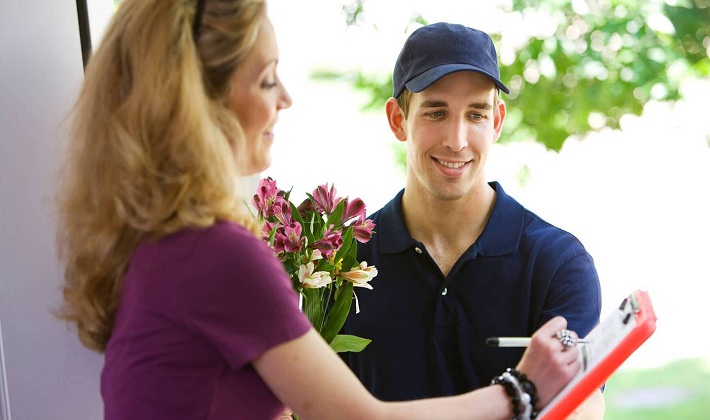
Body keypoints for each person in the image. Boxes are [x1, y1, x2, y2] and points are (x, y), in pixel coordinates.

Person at [56, 2, 583, 418]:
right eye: (266, 79)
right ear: (199, 102)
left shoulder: (163, 242)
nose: (285, 97)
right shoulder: (221, 254)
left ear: (498, 120)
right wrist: (521, 391)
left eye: (476, 113)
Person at [339, 22, 605, 417]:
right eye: (436, 111)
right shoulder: (341, 264)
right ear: (398, 119)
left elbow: (583, 404)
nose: (457, 139)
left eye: (476, 114)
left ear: (496, 121)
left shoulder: (557, 264)